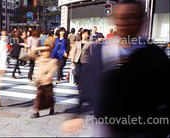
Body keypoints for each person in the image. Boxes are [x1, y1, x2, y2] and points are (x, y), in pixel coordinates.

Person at [63, 1, 170, 136]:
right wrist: (78, 113)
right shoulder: (101, 51)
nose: (127, 22)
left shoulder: (154, 55)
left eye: (133, 16)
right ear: (115, 20)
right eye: (122, 17)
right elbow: (88, 84)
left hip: (143, 130)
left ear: (143, 20)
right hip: (105, 129)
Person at [29, 46, 58, 118]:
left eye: (46, 51)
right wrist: (37, 48)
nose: (44, 53)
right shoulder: (39, 58)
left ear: (50, 52)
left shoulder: (53, 60)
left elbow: (52, 70)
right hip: (40, 82)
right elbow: (31, 54)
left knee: (49, 97)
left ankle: (52, 108)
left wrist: (48, 76)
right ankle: (36, 112)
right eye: (43, 51)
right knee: (38, 96)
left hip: (48, 83)